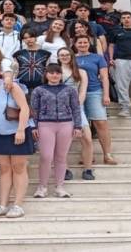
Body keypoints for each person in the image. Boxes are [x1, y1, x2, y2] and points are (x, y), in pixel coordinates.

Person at [0, 60, 32, 219]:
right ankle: (2, 205)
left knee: (19, 168)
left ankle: (18, 205)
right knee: (4, 169)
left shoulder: (10, 86)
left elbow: (25, 108)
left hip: (17, 132)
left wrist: (21, 130)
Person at [31, 64, 82, 199]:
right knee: (46, 156)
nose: (54, 75)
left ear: (61, 75)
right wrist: (33, 126)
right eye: (51, 73)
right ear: (46, 74)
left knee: (61, 157)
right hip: (45, 124)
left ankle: (60, 187)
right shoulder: (38, 90)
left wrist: (78, 126)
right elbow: (34, 109)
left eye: (57, 73)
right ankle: (42, 187)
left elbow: (76, 108)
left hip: (66, 124)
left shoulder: (70, 90)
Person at [73, 36, 116, 165]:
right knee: (82, 125)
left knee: (101, 123)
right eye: (80, 42)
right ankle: (87, 155)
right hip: (76, 94)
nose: (82, 44)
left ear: (89, 43)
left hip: (94, 92)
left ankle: (107, 155)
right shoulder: (72, 58)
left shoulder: (97, 58)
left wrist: (106, 94)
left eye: (85, 42)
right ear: (75, 44)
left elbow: (104, 77)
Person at [58, 47, 95, 180]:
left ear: (71, 56)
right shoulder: (55, 71)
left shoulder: (81, 72)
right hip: (59, 109)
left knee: (87, 138)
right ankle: (65, 169)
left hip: (77, 108)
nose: (64, 57)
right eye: (61, 55)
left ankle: (88, 169)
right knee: (62, 141)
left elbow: (83, 90)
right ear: (58, 57)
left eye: (67, 54)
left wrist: (77, 106)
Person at [12, 29, 52, 97]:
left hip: (41, 86)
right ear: (23, 40)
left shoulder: (45, 54)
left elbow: (48, 70)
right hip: (22, 86)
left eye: (31, 37)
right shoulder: (17, 54)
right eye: (25, 38)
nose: (28, 39)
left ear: (36, 38)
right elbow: (15, 72)